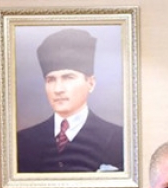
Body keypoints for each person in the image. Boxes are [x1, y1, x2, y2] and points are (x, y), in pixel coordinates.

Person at [16, 28, 124, 173]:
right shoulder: (23, 141)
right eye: (51, 80)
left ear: (91, 83)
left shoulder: (118, 138)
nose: (58, 89)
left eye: (68, 78)